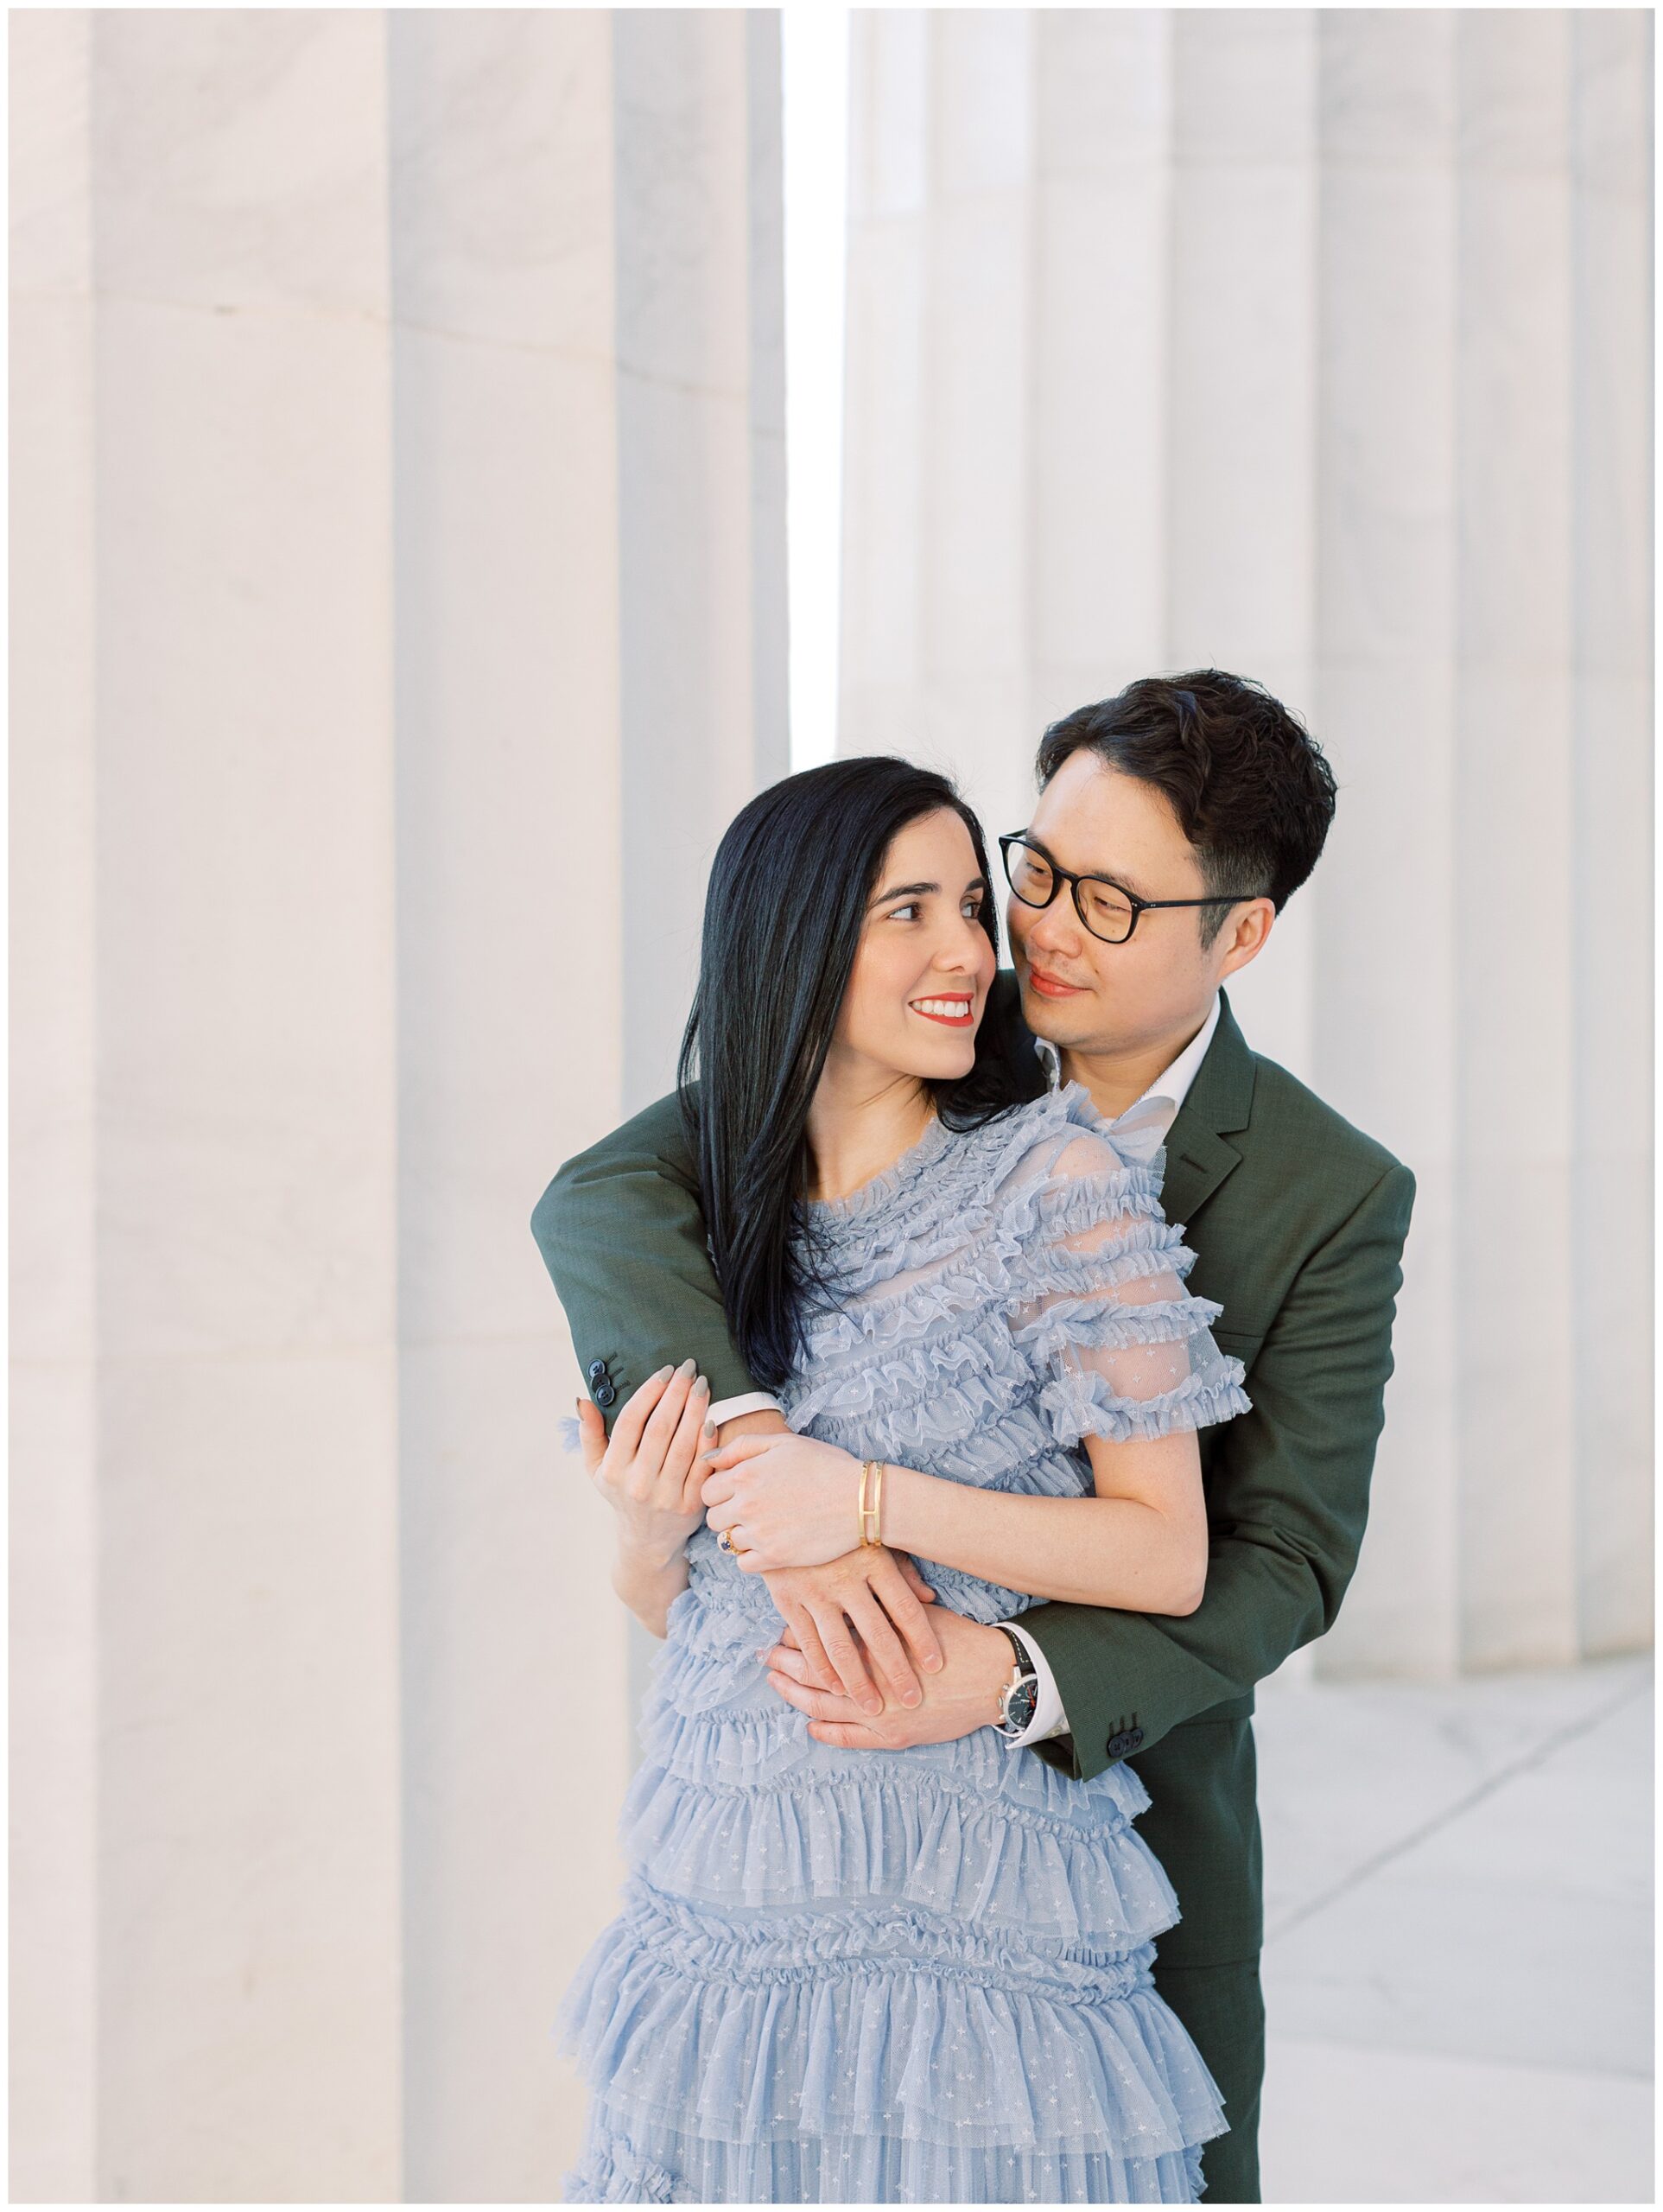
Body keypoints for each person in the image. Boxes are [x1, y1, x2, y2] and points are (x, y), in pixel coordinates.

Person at [534, 671, 1417, 2202]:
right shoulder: (915, 1021)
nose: (1033, 932)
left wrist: (1002, 1672)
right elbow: (601, 1196)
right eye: (1037, 869)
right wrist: (726, 1492)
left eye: (1112, 902)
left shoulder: (1320, 1189)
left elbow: (1277, 1558)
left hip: (1068, 1833)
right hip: (755, 1875)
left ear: (1239, 933)